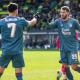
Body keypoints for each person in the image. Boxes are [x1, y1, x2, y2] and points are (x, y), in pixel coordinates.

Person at [0, 3, 37, 80]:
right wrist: (35, 17)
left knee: (1, 70)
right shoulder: (20, 20)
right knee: (18, 72)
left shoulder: (1, 22)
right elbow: (31, 23)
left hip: (6, 50)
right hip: (17, 51)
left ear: (8, 11)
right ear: (16, 10)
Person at [49, 6, 80, 80]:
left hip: (72, 48)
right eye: (61, 12)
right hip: (63, 49)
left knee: (74, 67)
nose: (61, 14)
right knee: (66, 68)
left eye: (63, 12)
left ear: (68, 13)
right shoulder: (58, 21)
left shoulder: (74, 22)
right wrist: (43, 19)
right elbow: (50, 25)